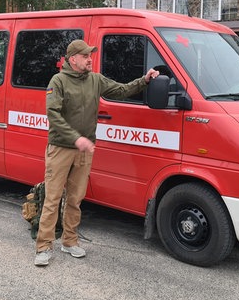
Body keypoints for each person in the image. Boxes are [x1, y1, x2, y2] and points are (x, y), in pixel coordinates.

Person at [34, 39, 160, 267]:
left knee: (75, 198)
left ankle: (69, 241)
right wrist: (76, 138)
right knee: (52, 199)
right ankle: (44, 246)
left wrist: (145, 80)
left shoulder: (95, 79)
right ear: (73, 59)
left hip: (84, 150)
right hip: (61, 148)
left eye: (90, 55)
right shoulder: (58, 81)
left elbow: (121, 90)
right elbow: (53, 115)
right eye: (85, 56)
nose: (90, 59)